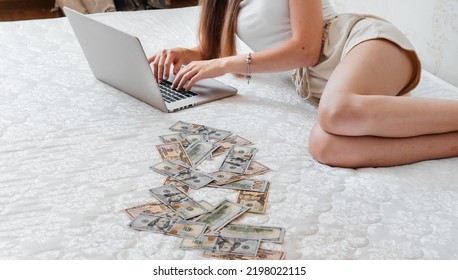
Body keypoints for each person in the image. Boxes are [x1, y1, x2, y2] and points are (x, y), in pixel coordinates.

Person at [149, 0, 458, 168]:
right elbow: (226, 46)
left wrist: (224, 64)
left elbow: (305, 49)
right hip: (324, 83)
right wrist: (189, 54)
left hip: (356, 43)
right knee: (326, 146)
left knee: (334, 112)